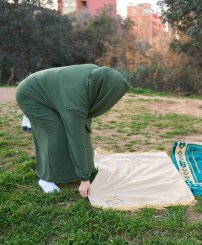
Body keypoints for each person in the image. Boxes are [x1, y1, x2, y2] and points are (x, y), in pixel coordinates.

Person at [16, 64, 130, 197]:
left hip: (53, 92)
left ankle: (81, 168)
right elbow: (75, 138)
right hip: (31, 95)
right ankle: (46, 179)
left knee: (79, 129)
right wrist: (84, 180)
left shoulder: (95, 75)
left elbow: (85, 116)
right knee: (57, 133)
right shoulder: (75, 101)